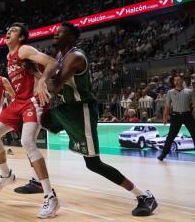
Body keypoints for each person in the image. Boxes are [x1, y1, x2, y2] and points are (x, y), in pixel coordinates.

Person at [39, 21, 157, 217]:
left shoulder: (75, 57)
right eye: (55, 33)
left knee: (93, 164)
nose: (54, 35)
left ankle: (143, 196)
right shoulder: (61, 55)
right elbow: (51, 69)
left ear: (70, 37)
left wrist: (38, 77)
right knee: (36, 122)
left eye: (59, 33)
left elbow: (57, 85)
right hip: (66, 108)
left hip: (82, 110)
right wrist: (41, 77)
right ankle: (40, 183)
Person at [0, 22, 61, 218]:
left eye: (14, 31)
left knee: (27, 142)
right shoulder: (9, 57)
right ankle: (6, 175)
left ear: (22, 38)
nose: (8, 32)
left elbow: (52, 62)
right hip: (18, 102)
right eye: (8, 29)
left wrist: (42, 81)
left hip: (33, 101)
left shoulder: (25, 49)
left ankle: (50, 197)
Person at [157, 74, 195, 161]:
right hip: (175, 116)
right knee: (170, 136)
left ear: (182, 81)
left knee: (194, 135)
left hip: (187, 115)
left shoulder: (190, 91)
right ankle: (163, 154)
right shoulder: (170, 92)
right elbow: (167, 106)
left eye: (178, 80)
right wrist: (165, 116)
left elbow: (194, 103)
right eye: (175, 80)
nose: (176, 82)